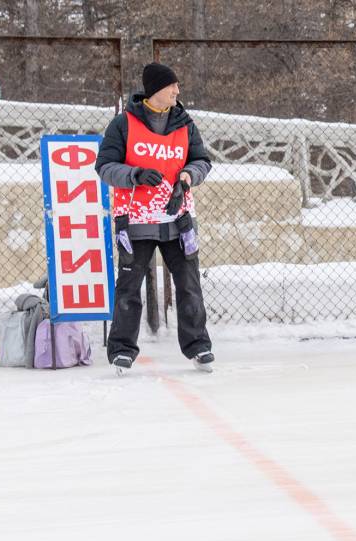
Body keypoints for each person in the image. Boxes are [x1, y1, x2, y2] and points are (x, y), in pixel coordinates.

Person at [95, 62, 215, 374]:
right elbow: (105, 166)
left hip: (178, 217)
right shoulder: (123, 124)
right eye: (172, 85)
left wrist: (189, 175)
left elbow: (202, 160)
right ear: (156, 90)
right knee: (129, 286)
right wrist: (134, 174)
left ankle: (198, 346)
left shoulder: (185, 123)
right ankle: (122, 350)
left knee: (189, 284)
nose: (177, 91)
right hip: (135, 220)